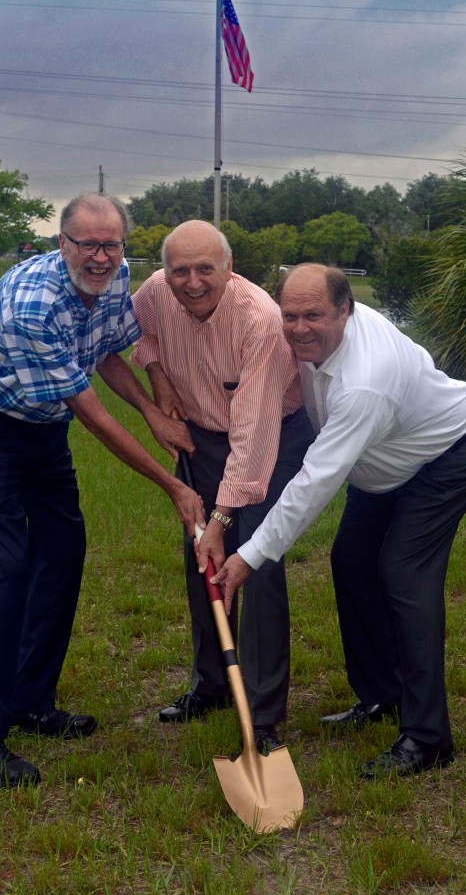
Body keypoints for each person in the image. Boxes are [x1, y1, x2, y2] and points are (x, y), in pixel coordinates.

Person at [0, 193, 205, 788]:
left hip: (40, 431)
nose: (101, 255)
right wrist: (169, 484)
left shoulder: (115, 277)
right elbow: (92, 414)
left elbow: (109, 350)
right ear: (62, 243)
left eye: (112, 243)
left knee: (63, 551)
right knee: (9, 562)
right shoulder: (34, 305)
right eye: (88, 244)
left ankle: (31, 702)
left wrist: (152, 405)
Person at [211, 264, 466, 778]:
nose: (299, 328)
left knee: (404, 575)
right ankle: (381, 697)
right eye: (289, 315)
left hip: (443, 462)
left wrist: (248, 555)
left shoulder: (366, 383)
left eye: (314, 315)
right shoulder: (311, 342)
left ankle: (428, 738)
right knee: (351, 563)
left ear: (346, 310)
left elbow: (317, 481)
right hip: (383, 467)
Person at [130, 221, 315, 752]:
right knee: (202, 561)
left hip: (273, 439)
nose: (191, 282)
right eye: (179, 270)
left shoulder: (259, 320)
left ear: (229, 269)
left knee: (253, 563)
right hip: (201, 435)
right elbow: (131, 333)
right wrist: (159, 378)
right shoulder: (154, 294)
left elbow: (254, 439)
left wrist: (221, 519)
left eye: (205, 269)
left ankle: (260, 713)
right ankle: (210, 683)